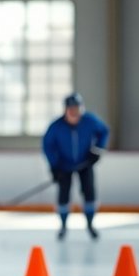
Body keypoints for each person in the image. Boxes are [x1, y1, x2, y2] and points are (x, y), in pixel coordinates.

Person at [42, 93, 109, 240]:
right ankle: (63, 225)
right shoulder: (56, 126)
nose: (74, 112)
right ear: (65, 110)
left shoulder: (90, 121)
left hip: (85, 163)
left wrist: (97, 149)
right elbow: (47, 145)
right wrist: (54, 166)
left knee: (89, 193)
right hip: (64, 166)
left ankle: (90, 224)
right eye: (71, 109)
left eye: (76, 109)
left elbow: (104, 131)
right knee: (63, 195)